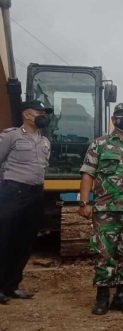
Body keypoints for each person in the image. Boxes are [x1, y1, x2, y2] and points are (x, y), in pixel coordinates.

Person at [79, 102, 123, 315]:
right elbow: (88, 173)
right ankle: (102, 297)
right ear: (113, 119)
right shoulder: (99, 144)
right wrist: (84, 202)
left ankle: (122, 296)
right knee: (104, 253)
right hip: (105, 209)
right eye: (120, 115)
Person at [0, 100, 52, 304]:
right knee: (5, 239)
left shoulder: (45, 141)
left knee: (24, 242)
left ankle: (12, 285)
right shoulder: (10, 136)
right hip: (13, 191)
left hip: (35, 194)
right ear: (27, 115)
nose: (43, 115)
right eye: (39, 111)